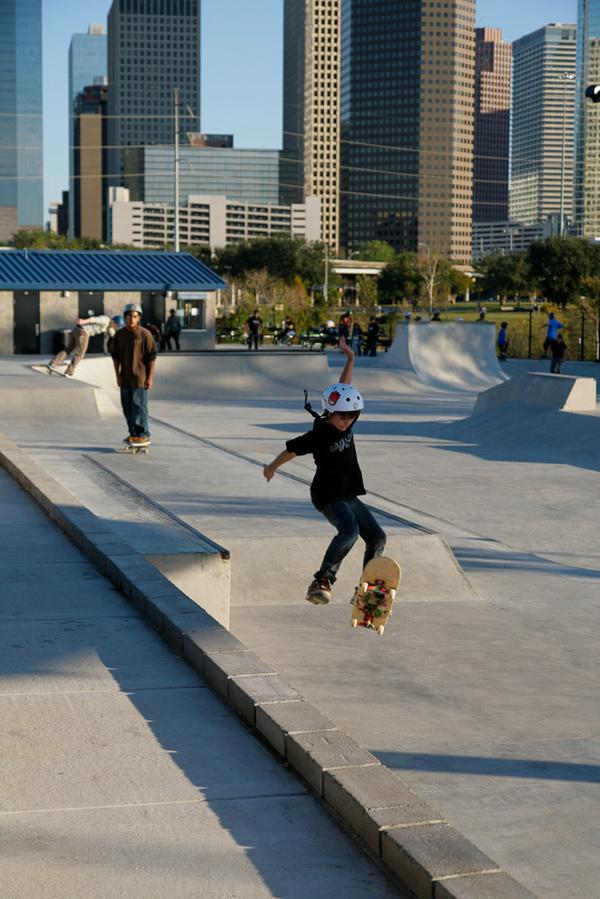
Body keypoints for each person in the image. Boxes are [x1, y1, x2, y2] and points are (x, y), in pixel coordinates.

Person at [263, 336, 386, 605]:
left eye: (351, 416)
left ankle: (365, 591)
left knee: (377, 537)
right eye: (342, 416)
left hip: (349, 494)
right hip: (327, 495)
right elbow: (291, 451)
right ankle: (322, 580)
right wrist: (271, 467)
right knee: (350, 532)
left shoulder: (347, 419)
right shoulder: (318, 435)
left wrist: (351, 359)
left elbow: (344, 388)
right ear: (329, 412)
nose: (347, 421)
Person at [110, 303, 156, 448]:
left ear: (139, 318)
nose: (131, 319)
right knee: (127, 407)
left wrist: (150, 377)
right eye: (129, 316)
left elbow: (151, 357)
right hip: (125, 377)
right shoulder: (119, 335)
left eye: (135, 316)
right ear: (124, 317)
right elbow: (115, 357)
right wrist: (117, 375)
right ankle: (133, 433)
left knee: (139, 406)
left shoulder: (144, 334)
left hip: (140, 377)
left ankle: (143, 434)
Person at [48, 313, 124, 376]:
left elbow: (114, 336)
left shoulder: (109, 327)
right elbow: (93, 319)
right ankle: (69, 371)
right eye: (116, 325)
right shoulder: (105, 320)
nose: (115, 327)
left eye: (117, 327)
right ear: (114, 321)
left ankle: (53, 363)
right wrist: (83, 321)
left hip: (76, 330)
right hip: (83, 332)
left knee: (68, 349)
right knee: (80, 353)